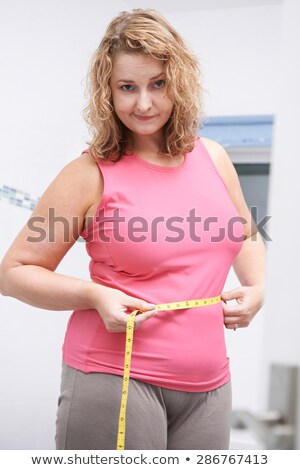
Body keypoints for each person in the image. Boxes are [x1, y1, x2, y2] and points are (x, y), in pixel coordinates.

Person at [0, 9, 266, 450]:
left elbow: (246, 232)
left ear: (178, 82)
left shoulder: (213, 157)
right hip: (116, 376)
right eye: (127, 87)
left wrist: (257, 288)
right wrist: (93, 294)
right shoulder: (88, 174)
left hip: (210, 387)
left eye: (157, 84)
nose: (143, 103)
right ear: (108, 92)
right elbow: (13, 273)